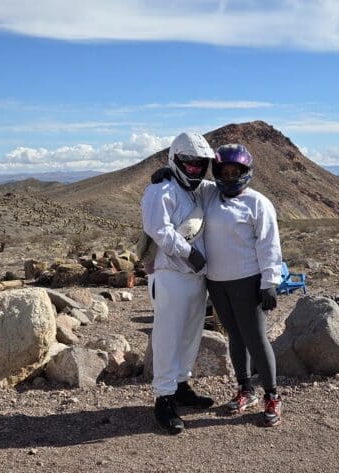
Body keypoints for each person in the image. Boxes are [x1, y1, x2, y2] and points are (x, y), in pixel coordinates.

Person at [141, 132, 217, 435]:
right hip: (171, 274)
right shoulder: (161, 191)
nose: (195, 169)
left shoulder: (198, 191)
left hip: (196, 277)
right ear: (176, 160)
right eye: (190, 163)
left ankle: (181, 385)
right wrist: (190, 254)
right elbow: (159, 229)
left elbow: (222, 188)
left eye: (201, 164)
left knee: (190, 334)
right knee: (168, 337)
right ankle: (163, 397)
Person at [203, 143, 284, 427]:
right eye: (223, 171)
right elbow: (188, 183)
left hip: (248, 281)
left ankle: (272, 396)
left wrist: (269, 282)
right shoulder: (210, 195)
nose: (228, 176)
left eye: (234, 171)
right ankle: (245, 390)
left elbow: (269, 244)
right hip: (217, 282)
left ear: (245, 171)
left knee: (256, 338)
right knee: (235, 337)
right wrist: (165, 175)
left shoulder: (258, 203)